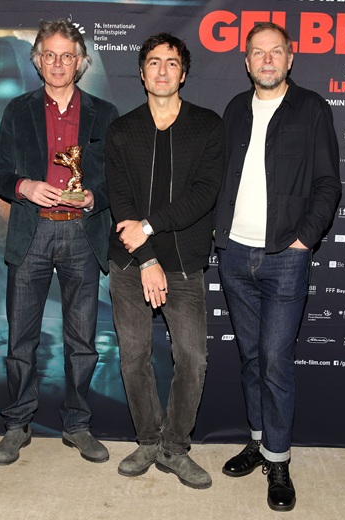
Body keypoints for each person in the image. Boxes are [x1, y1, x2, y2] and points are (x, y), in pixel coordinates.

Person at [214, 22, 342, 512]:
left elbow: (328, 183)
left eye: (275, 52)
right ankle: (258, 441)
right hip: (234, 255)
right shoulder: (234, 110)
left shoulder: (311, 108)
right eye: (257, 52)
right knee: (250, 358)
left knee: (274, 361)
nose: (266, 60)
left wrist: (303, 240)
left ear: (290, 58)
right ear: (246, 62)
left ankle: (279, 460)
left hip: (284, 258)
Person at [0, 19, 118, 466]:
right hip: (32, 232)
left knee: (82, 340)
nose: (58, 63)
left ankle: (77, 424)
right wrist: (24, 186)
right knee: (20, 339)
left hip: (83, 233)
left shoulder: (105, 113)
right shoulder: (17, 110)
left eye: (67, 56)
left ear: (80, 62)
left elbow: (117, 179)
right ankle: (17, 423)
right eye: (50, 55)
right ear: (37, 60)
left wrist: (95, 196)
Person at [106, 33, 223, 490]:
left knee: (192, 358)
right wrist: (147, 257)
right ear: (141, 72)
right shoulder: (122, 130)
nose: (161, 70)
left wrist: (150, 228)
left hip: (184, 264)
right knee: (134, 357)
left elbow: (203, 195)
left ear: (183, 73)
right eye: (153, 62)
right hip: (130, 263)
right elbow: (121, 201)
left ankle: (174, 447)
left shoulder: (207, 126)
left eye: (171, 63)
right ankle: (148, 440)